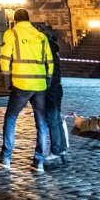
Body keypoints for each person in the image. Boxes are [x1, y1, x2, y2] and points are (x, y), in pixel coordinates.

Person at [0, 9, 53, 172]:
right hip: (40, 85)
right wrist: (48, 80)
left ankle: (6, 157)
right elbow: (50, 61)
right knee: (41, 124)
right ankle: (39, 162)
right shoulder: (41, 36)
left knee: (11, 118)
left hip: (21, 84)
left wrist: (6, 79)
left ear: (15, 20)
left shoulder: (11, 34)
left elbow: (5, 59)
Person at [42, 27, 69, 163]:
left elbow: (48, 72)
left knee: (53, 121)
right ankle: (62, 147)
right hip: (57, 88)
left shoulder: (48, 53)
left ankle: (56, 149)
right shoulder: (54, 51)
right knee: (57, 120)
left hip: (51, 89)